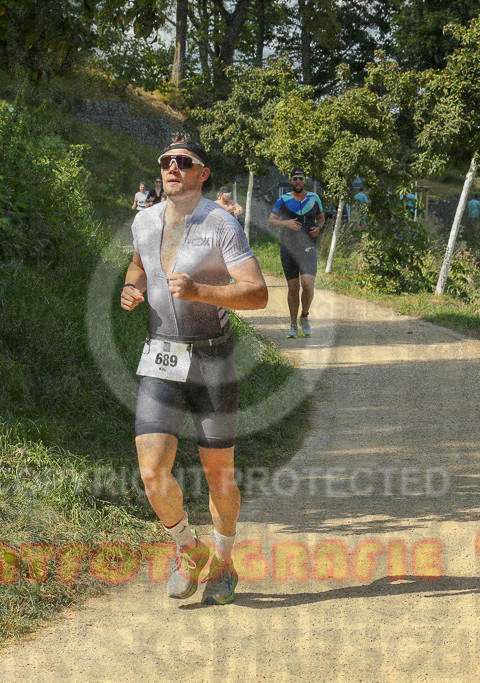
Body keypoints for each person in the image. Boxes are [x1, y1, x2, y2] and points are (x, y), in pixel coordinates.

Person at [120, 133, 268, 605]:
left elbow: (258, 293)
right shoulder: (143, 221)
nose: (172, 168)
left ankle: (224, 561)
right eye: (166, 161)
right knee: (151, 472)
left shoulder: (221, 224)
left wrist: (203, 292)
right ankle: (188, 549)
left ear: (202, 174)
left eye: (184, 162)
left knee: (218, 473)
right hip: (162, 357)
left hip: (212, 360)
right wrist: (131, 288)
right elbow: (138, 265)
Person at [268, 168, 325, 338]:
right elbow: (271, 221)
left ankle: (304, 317)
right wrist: (286, 223)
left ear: (305, 180)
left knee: (308, 285)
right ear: (291, 181)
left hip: (308, 248)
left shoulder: (314, 198)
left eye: (301, 179)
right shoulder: (283, 199)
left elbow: (321, 217)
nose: (298, 182)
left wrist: (319, 228)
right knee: (293, 289)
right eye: (295, 179)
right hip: (288, 249)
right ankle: (293, 324)